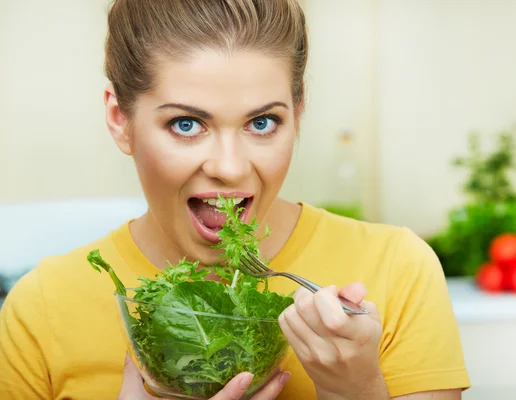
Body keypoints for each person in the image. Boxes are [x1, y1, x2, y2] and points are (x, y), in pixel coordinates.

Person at [0, 0, 470, 399]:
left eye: (262, 122)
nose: (229, 166)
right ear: (120, 119)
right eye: (186, 124)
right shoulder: (40, 309)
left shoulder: (395, 269)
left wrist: (359, 390)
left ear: (298, 113)